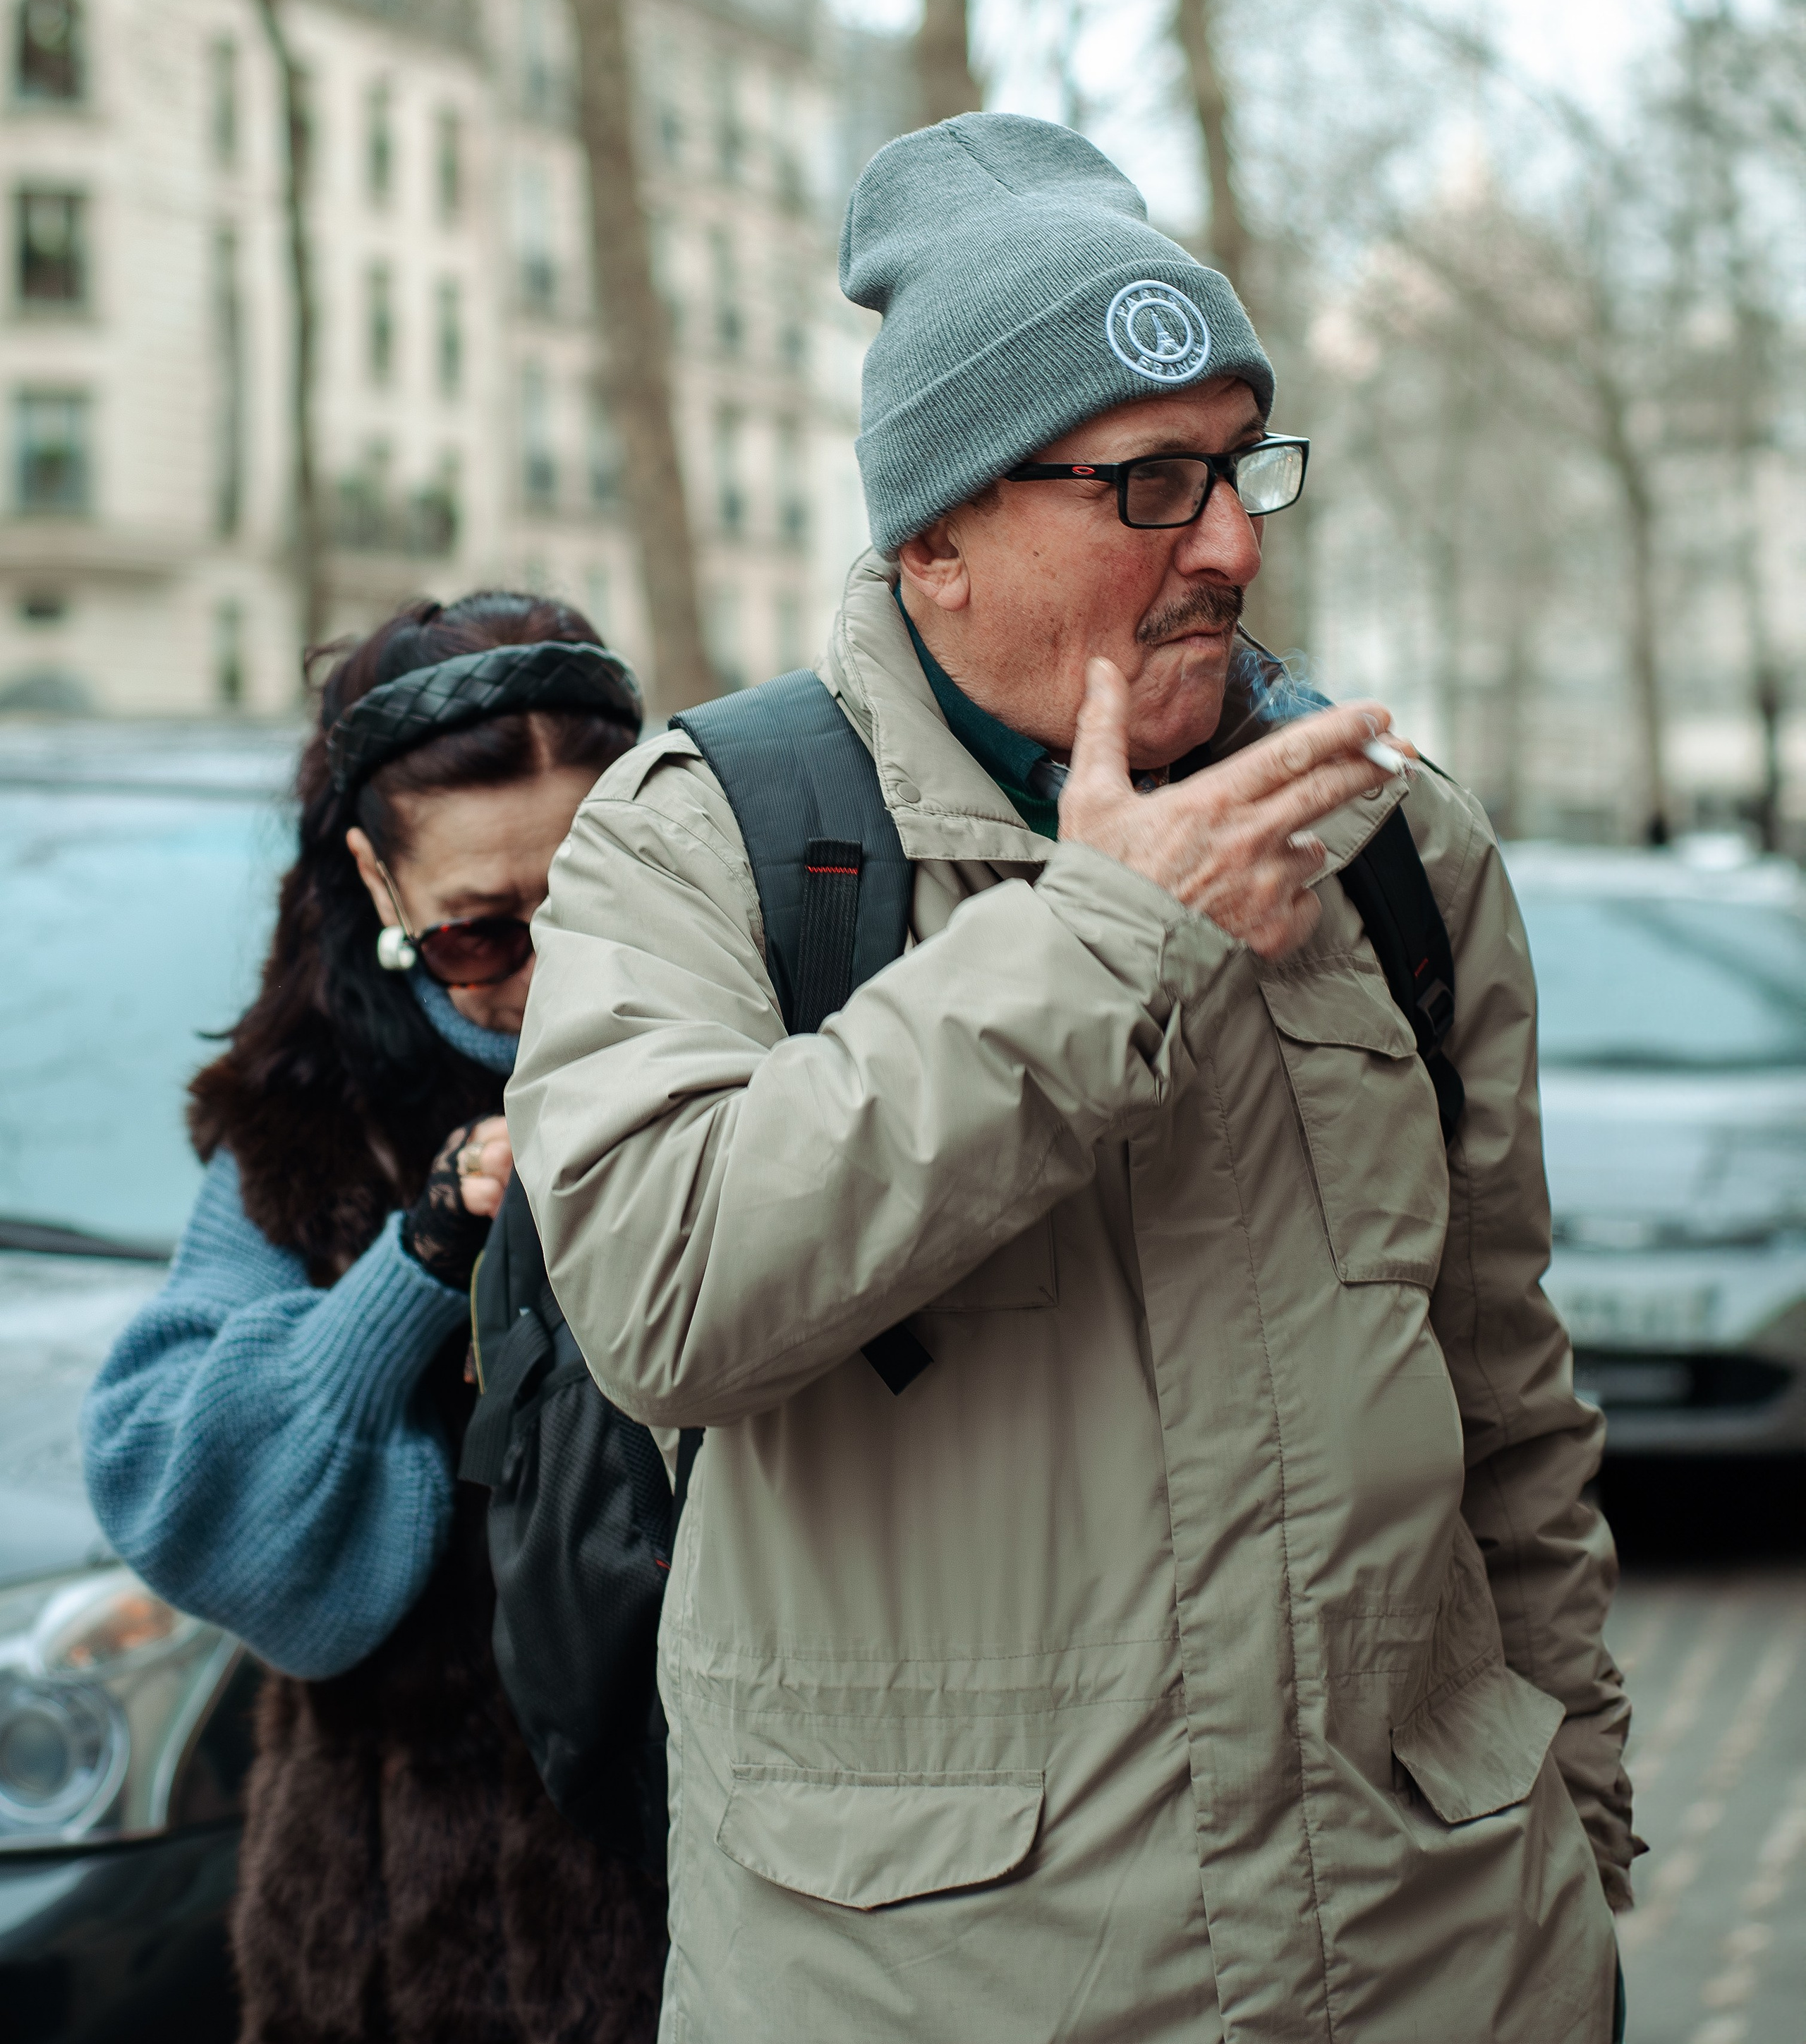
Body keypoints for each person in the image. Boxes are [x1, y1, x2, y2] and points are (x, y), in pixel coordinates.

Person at [507, 115, 1638, 2044]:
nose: (1234, 540)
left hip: (1453, 1967)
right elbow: (666, 1297)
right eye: (1151, 484)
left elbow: (1505, 1397)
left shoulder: (1395, 849)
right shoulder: (709, 840)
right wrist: (1115, 935)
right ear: (936, 536)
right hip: (928, 1989)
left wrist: (1582, 1829)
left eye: (1245, 462)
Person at [82, 592, 662, 2044]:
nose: (547, 985)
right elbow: (188, 1497)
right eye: (482, 936)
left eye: (595, 906)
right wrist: (421, 1259)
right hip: (390, 1939)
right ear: (379, 884)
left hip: (722, 1910)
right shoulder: (302, 1136)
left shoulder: (753, 1059)